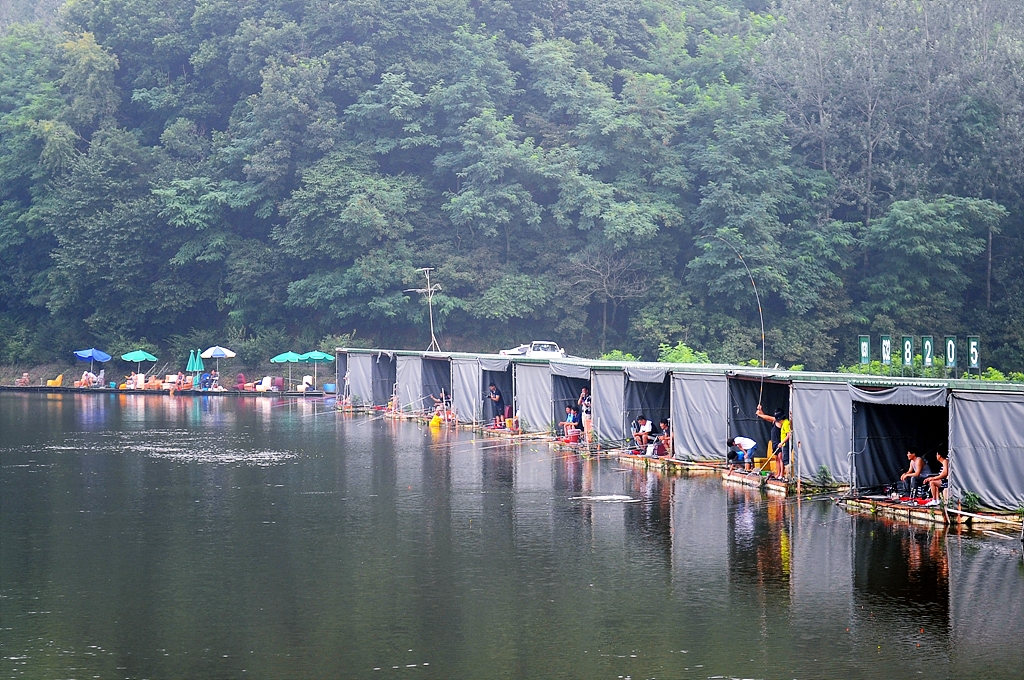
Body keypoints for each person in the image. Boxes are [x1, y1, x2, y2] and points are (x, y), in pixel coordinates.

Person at [757, 405, 792, 480]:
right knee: (776, 459)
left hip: (779, 442)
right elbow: (767, 418)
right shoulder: (776, 420)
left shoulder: (782, 422)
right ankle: (778, 473)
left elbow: (768, 417)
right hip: (774, 442)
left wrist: (759, 414)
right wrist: (761, 410)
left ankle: (781, 474)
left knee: (780, 458)